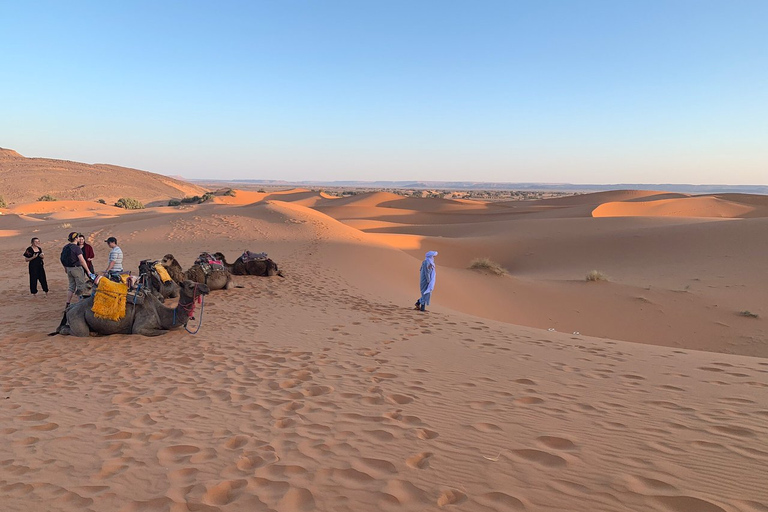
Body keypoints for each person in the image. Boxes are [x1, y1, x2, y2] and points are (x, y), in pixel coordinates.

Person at [62, 231, 95, 308]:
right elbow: (82, 260)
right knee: (81, 287)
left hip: (69, 269)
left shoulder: (66, 247)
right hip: (76, 269)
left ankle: (68, 303)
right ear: (76, 238)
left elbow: (62, 259)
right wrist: (88, 271)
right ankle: (81, 305)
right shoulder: (76, 248)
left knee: (71, 287)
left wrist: (65, 268)